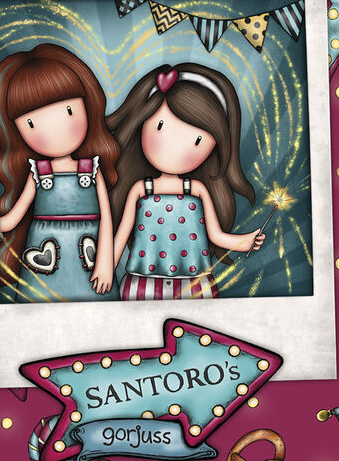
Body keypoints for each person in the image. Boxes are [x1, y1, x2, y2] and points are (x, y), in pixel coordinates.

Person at [108, 64, 264, 300]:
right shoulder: (141, 189)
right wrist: (105, 267)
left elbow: (215, 234)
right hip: (143, 281)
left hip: (194, 283)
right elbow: (121, 235)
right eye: (160, 126)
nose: (175, 147)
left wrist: (242, 242)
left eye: (197, 140)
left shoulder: (197, 190)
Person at [0, 44, 120, 302]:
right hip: (44, 254)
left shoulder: (92, 169)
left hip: (89, 255)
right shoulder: (37, 173)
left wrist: (106, 263)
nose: (55, 130)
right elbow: (13, 218)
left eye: (68, 111)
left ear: (87, 106)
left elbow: (107, 219)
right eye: (32, 123)